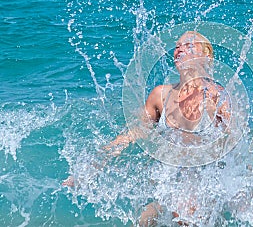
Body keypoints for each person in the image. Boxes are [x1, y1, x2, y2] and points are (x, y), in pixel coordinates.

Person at [64, 31, 231, 226]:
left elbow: (234, 140)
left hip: (202, 174)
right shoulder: (160, 95)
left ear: (206, 56)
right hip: (166, 173)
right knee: (145, 221)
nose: (180, 49)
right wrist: (92, 168)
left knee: (185, 212)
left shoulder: (216, 95)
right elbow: (132, 133)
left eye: (189, 45)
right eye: (177, 46)